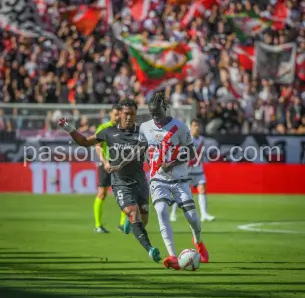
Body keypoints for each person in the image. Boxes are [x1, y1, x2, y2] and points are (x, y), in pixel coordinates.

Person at [108, 93, 209, 270]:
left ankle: (198, 241)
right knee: (162, 212)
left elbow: (192, 153)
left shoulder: (180, 127)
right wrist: (119, 165)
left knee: (192, 218)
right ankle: (172, 256)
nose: (154, 116)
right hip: (157, 179)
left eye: (157, 113)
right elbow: (139, 149)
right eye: (151, 113)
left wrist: (172, 163)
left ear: (165, 108)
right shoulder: (145, 128)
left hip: (180, 178)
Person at [58, 99, 161, 263]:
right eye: (126, 114)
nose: (129, 117)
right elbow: (85, 142)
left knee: (144, 220)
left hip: (140, 182)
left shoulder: (142, 133)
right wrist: (69, 128)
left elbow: (141, 152)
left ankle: (130, 221)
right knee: (134, 214)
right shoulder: (108, 132)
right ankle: (150, 249)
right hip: (120, 182)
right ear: (119, 114)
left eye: (132, 114)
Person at [170, 119, 215, 223]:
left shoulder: (203, 139)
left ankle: (204, 214)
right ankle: (173, 213)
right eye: (194, 125)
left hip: (199, 171)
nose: (196, 127)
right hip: (186, 172)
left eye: (198, 125)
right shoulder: (186, 139)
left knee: (202, 189)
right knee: (181, 194)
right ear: (191, 127)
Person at [94, 104, 127, 233]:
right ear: (111, 114)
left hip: (120, 165)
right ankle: (98, 225)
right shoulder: (104, 128)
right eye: (115, 114)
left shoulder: (124, 128)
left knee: (124, 194)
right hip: (106, 165)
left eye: (120, 114)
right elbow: (98, 147)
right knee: (102, 194)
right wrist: (105, 162)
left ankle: (123, 225)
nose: (118, 116)